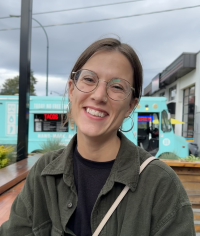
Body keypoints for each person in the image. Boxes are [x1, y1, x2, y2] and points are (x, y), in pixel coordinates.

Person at [0, 38, 195, 236]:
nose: (99, 95)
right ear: (70, 90)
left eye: (117, 87)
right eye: (89, 79)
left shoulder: (161, 185)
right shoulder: (44, 174)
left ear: (130, 106)